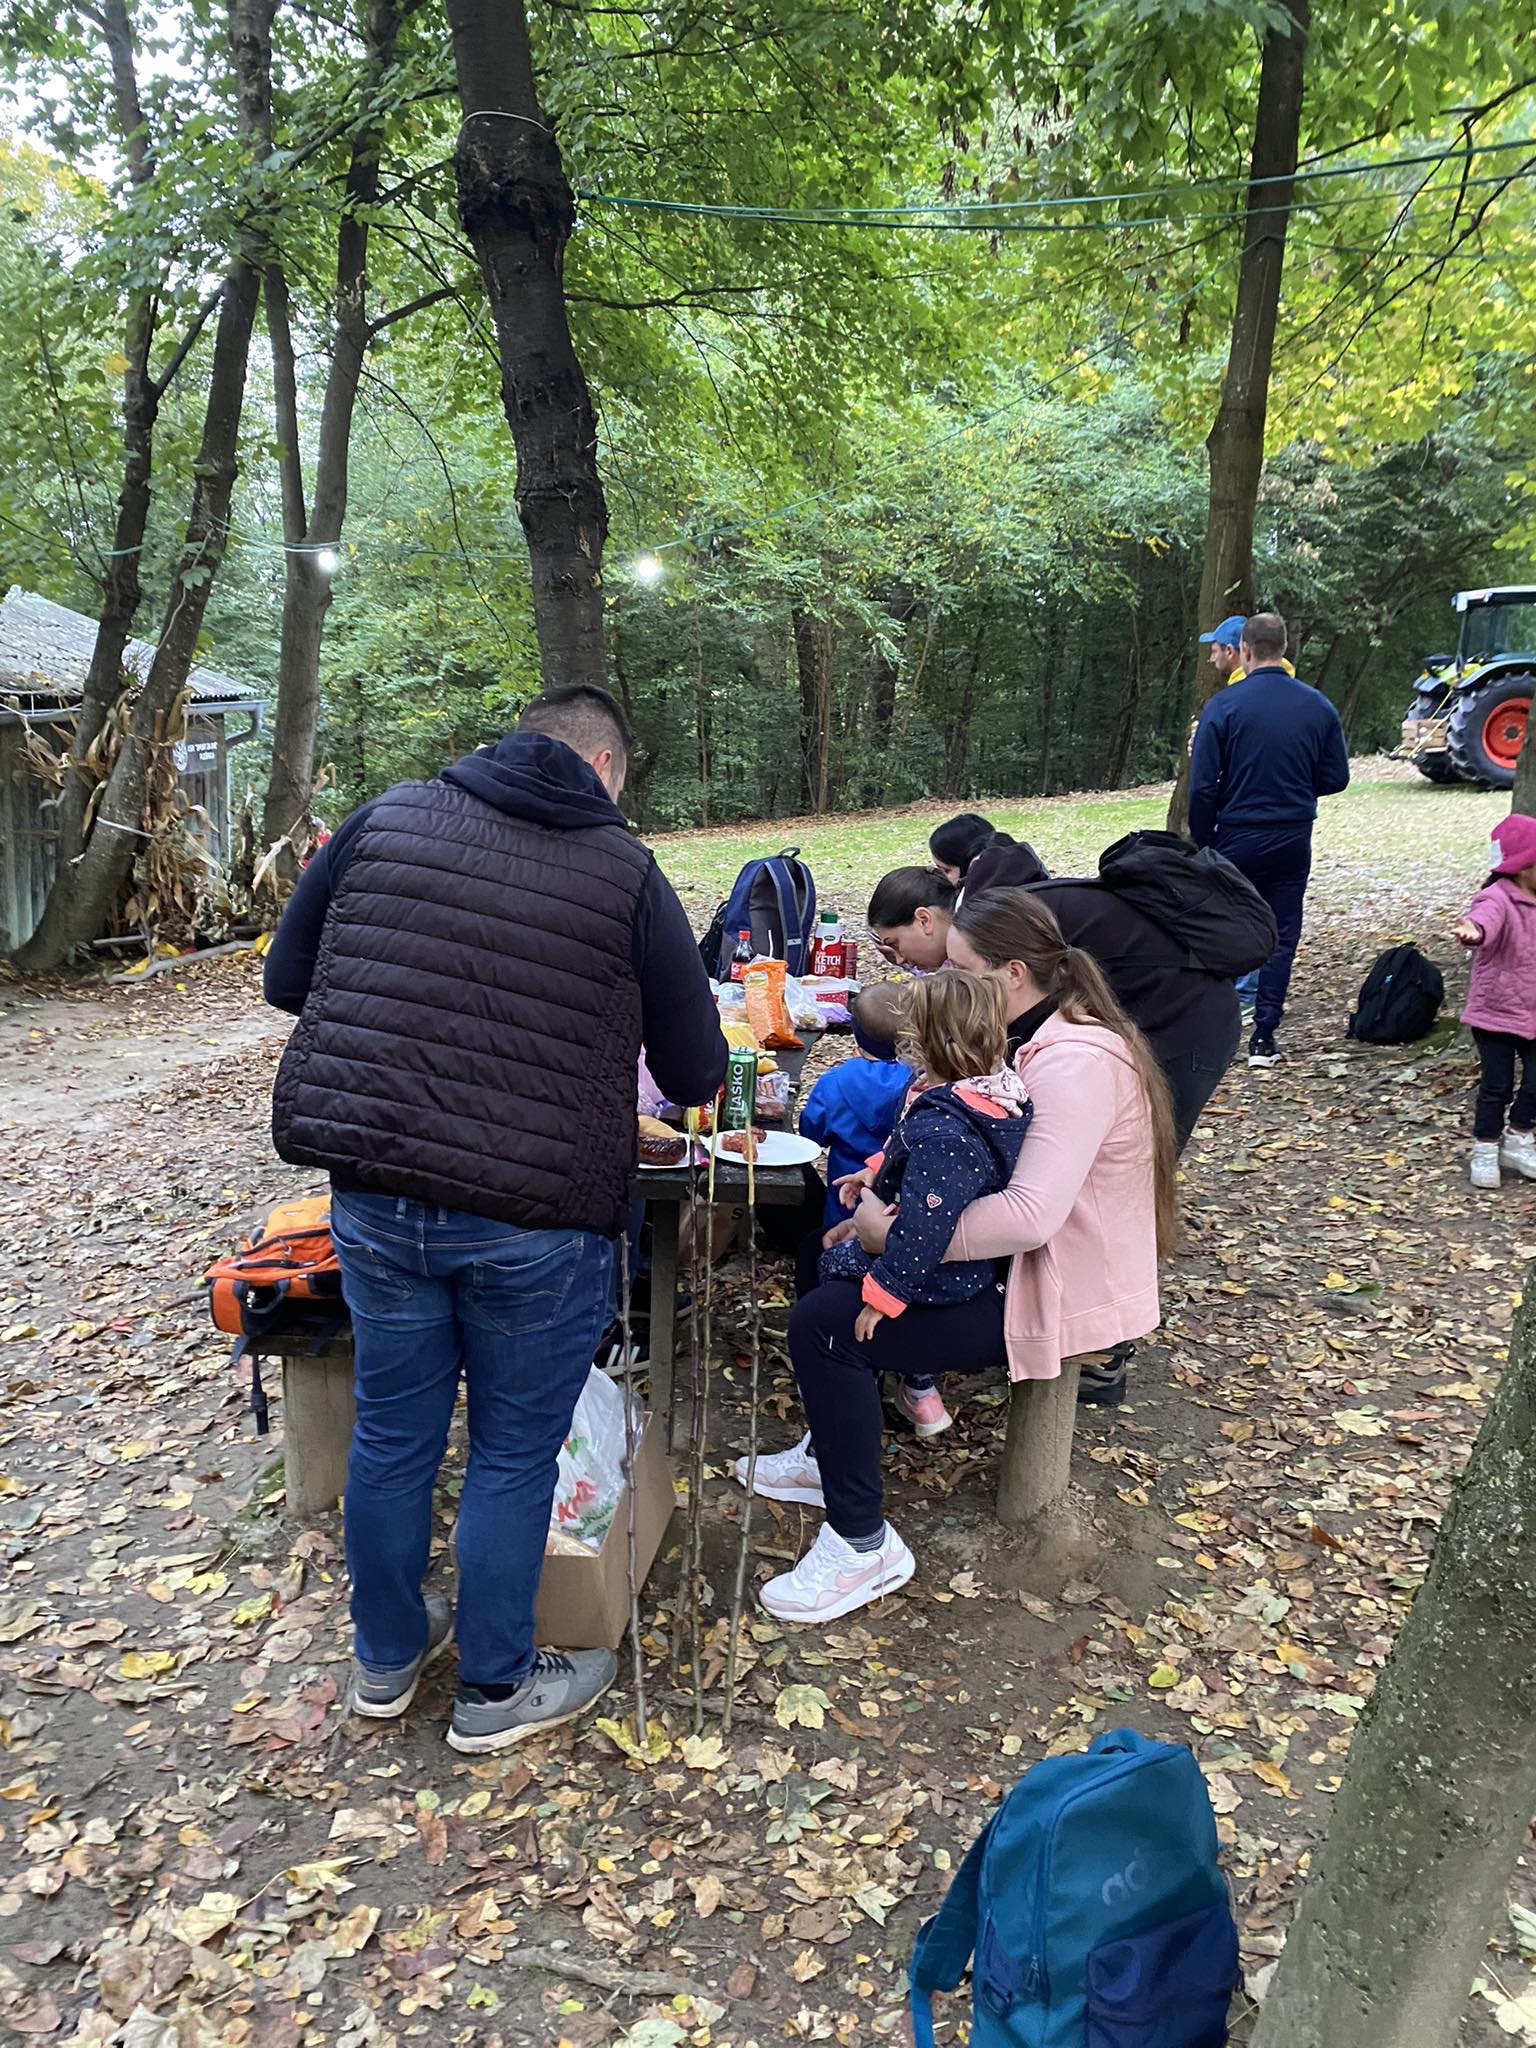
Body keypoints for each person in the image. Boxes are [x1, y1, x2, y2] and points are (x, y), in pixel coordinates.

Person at [263, 684, 726, 1752]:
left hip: (379, 1191)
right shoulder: (624, 871)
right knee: (514, 1453)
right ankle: (495, 1686)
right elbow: (698, 1071)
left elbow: (291, 980)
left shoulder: (385, 817)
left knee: (393, 1433)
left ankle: (385, 1656)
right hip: (538, 1216)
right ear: (605, 768)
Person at [736, 892, 1174, 1624]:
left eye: (959, 970)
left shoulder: (1075, 1062)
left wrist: (891, 1238)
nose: (943, 982)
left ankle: (861, 1543)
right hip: (1012, 1263)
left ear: (1011, 974)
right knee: (819, 1247)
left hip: (1051, 1285)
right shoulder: (1021, 1039)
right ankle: (827, 1449)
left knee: (825, 1327)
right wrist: (880, 1187)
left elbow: (1029, 1216)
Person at [867, 858, 1246, 1154]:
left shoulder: (1001, 924)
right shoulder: (987, 923)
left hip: (1190, 1021)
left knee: (1144, 1151)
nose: (897, 960)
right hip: (1136, 1012)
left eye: (894, 944)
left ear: (924, 919)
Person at [1189, 611, 1349, 1069]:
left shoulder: (1224, 706)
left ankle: (1217, 1031)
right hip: (1292, 836)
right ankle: (1264, 1037)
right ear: (1283, 648)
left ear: (1244, 649)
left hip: (1236, 834)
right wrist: (1295, 789)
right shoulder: (1317, 706)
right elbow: (1336, 777)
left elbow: (1203, 785)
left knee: (1224, 927)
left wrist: (1205, 837)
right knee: (1282, 934)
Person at [795, 985, 951, 1438]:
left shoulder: (837, 1082)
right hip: (903, 1216)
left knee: (842, 1292)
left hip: (844, 1212)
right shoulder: (923, 1084)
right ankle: (919, 1385)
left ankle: (848, 1381)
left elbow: (810, 1133)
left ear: (856, 1036)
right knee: (899, 1293)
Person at [1456, 813, 1536, 1189]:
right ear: (1522, 867)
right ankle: (1485, 1148)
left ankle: (1519, 1139)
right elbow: (1483, 920)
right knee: (1496, 1086)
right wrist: (1473, 931)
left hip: (1533, 1014)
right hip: (1496, 1013)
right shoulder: (1498, 897)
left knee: (1534, 1085)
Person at [929, 813, 1048, 898]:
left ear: (973, 865)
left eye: (946, 870)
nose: (939, 876)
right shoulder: (1036, 875)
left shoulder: (982, 903)